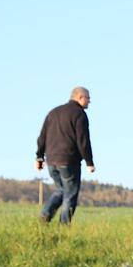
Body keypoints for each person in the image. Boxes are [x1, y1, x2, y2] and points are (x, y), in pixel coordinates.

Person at [35, 87, 95, 224]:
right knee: (70, 195)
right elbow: (83, 140)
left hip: (51, 161)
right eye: (88, 98)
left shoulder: (53, 112)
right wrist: (89, 162)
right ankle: (64, 227)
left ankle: (45, 216)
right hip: (69, 161)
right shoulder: (79, 114)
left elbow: (42, 136)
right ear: (79, 97)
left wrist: (39, 157)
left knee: (61, 191)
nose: (89, 102)